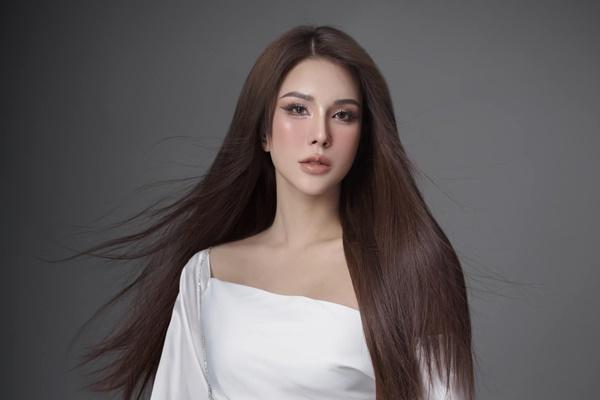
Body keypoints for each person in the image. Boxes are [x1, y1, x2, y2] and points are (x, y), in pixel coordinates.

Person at [71, 25, 475, 400]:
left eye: (343, 115)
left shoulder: (408, 270)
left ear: (363, 138)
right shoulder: (207, 275)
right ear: (264, 131)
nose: (321, 134)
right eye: (298, 109)